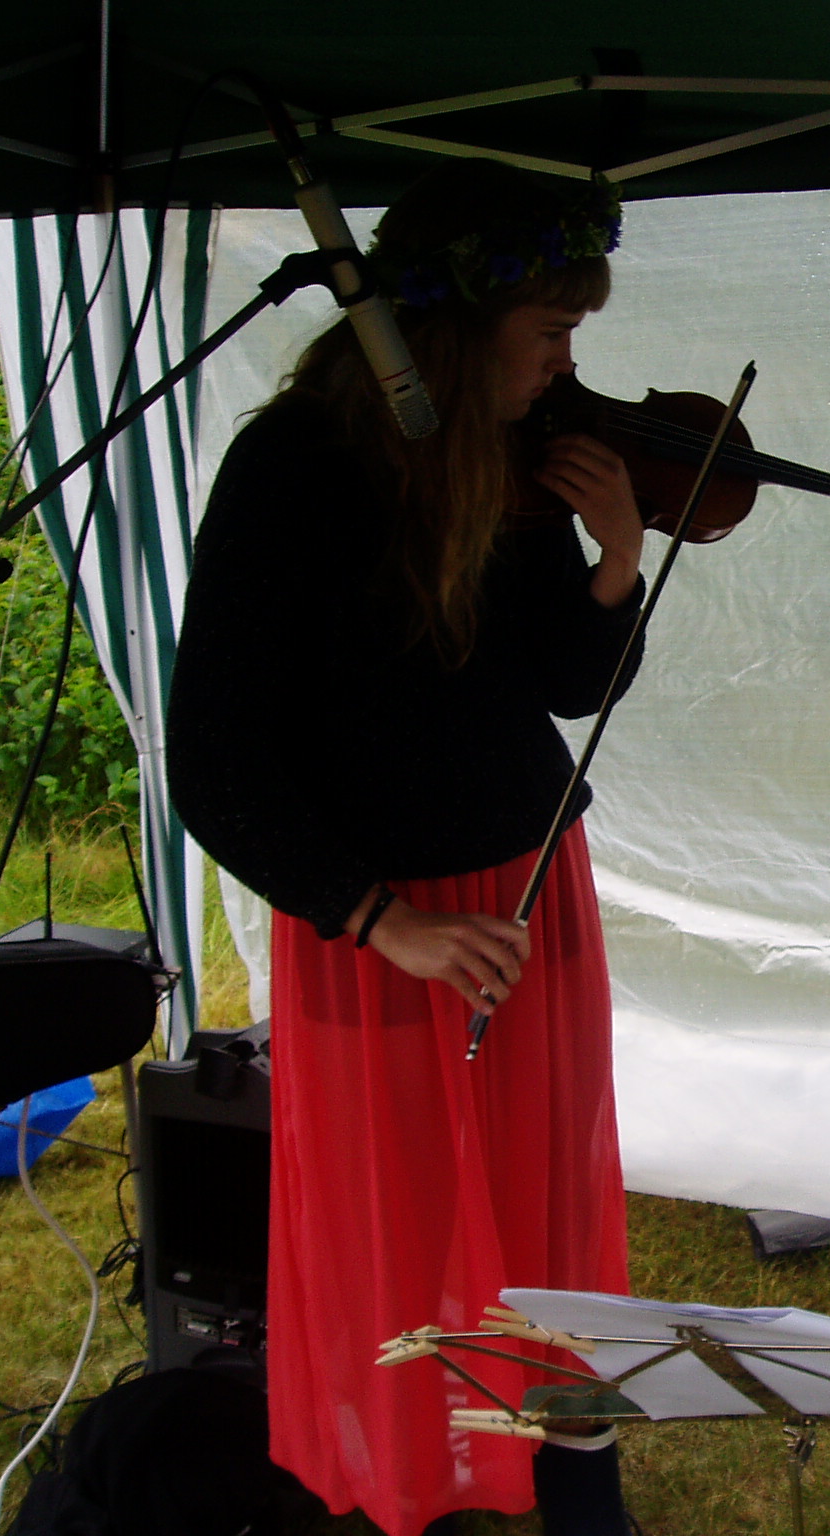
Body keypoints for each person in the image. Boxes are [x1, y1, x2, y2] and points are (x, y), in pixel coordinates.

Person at [166, 159, 648, 1536]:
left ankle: (575, 1491)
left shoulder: (508, 448)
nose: (565, 365)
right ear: (454, 326)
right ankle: (403, 1494)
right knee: (392, 1228)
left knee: (547, 1217)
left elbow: (561, 679)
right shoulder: (292, 470)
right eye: (550, 331)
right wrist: (383, 921)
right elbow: (214, 761)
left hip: (528, 896)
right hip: (378, 928)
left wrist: (616, 560)